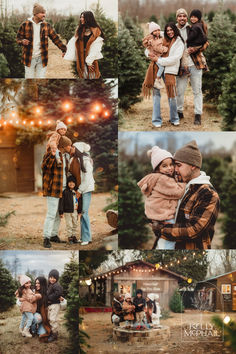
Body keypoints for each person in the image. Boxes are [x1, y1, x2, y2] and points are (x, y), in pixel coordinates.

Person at [152, 141, 220, 250]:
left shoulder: (208, 194)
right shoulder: (181, 186)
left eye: (178, 165)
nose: (175, 169)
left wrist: (162, 230)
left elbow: (194, 229)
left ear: (193, 165)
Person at [137, 146, 185, 250]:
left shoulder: (154, 177)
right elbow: (179, 192)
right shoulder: (163, 179)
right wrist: (184, 182)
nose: (169, 168)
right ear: (158, 168)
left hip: (156, 214)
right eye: (164, 166)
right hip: (164, 215)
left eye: (171, 164)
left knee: (163, 239)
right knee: (170, 240)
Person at [175, 8, 209, 125]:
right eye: (180, 16)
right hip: (181, 65)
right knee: (179, 91)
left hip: (195, 64)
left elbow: (206, 42)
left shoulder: (193, 27)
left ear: (187, 18)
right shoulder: (173, 30)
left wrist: (196, 48)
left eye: (184, 16)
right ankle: (179, 112)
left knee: (197, 91)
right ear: (177, 18)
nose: (182, 18)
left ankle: (198, 114)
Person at [16, 3, 67, 78]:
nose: (44, 15)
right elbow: (18, 39)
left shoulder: (47, 26)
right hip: (29, 58)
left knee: (41, 80)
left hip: (42, 58)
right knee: (29, 80)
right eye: (42, 13)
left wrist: (64, 50)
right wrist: (22, 41)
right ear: (35, 14)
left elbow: (56, 39)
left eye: (44, 13)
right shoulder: (25, 25)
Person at [149, 22, 185, 128]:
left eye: (171, 30)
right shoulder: (161, 37)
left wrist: (159, 60)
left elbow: (174, 59)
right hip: (156, 68)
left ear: (175, 29)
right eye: (167, 30)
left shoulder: (179, 42)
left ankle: (174, 118)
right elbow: (147, 47)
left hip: (169, 70)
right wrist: (149, 54)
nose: (169, 32)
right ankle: (156, 120)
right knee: (156, 95)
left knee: (172, 95)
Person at [42, 136, 72, 248]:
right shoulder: (51, 153)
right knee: (51, 214)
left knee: (58, 214)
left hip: (63, 188)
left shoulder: (64, 155)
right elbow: (44, 167)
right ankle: (46, 237)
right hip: (53, 189)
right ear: (63, 146)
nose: (70, 146)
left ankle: (54, 235)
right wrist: (52, 155)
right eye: (69, 145)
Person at [64, 11, 104, 79]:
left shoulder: (96, 30)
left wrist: (89, 62)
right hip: (81, 58)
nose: (81, 19)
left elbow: (96, 48)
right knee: (83, 77)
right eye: (81, 17)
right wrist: (65, 51)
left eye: (83, 17)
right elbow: (72, 43)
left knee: (93, 77)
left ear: (88, 18)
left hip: (91, 60)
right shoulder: (80, 29)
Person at [70, 142, 95, 246]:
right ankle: (84, 236)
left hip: (86, 189)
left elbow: (88, 178)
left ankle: (87, 237)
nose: (71, 148)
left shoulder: (86, 161)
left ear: (78, 149)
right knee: (81, 212)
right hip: (80, 189)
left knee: (84, 213)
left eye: (73, 147)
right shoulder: (74, 160)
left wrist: (80, 190)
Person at [142, 22, 168, 92]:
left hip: (159, 57)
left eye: (158, 30)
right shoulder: (152, 40)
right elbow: (158, 49)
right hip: (156, 57)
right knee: (161, 66)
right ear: (151, 32)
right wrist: (165, 49)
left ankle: (158, 80)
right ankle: (157, 79)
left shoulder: (159, 37)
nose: (157, 32)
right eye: (155, 31)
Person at [58, 175, 82, 244]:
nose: (71, 184)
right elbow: (61, 202)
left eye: (73, 182)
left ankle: (74, 236)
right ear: (67, 183)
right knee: (69, 225)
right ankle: (70, 237)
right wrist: (61, 211)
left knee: (75, 224)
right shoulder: (65, 192)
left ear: (75, 183)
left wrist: (79, 210)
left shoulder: (77, 192)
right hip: (67, 211)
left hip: (75, 211)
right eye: (70, 182)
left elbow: (80, 201)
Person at [31, 276, 51, 342]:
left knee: (42, 334)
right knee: (37, 319)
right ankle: (32, 330)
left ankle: (39, 328)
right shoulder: (33, 292)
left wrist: (62, 299)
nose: (36, 285)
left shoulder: (47, 294)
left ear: (43, 284)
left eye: (38, 283)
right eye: (36, 283)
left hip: (43, 316)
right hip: (34, 314)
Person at [47, 269, 63, 342]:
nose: (52, 279)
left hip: (55, 305)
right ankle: (51, 332)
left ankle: (54, 334)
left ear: (57, 278)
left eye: (54, 278)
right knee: (50, 318)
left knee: (53, 319)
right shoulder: (50, 285)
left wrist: (49, 297)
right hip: (51, 305)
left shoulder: (56, 285)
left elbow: (59, 293)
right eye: (51, 277)